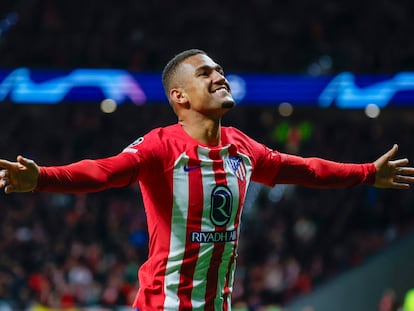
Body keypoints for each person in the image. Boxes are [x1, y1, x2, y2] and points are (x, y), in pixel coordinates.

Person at [0, 49, 414, 311]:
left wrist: (366, 173)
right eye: (204, 73)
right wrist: (41, 179)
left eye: (219, 69)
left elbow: (303, 169)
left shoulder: (242, 148)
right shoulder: (159, 147)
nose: (219, 76)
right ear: (179, 97)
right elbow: (102, 172)